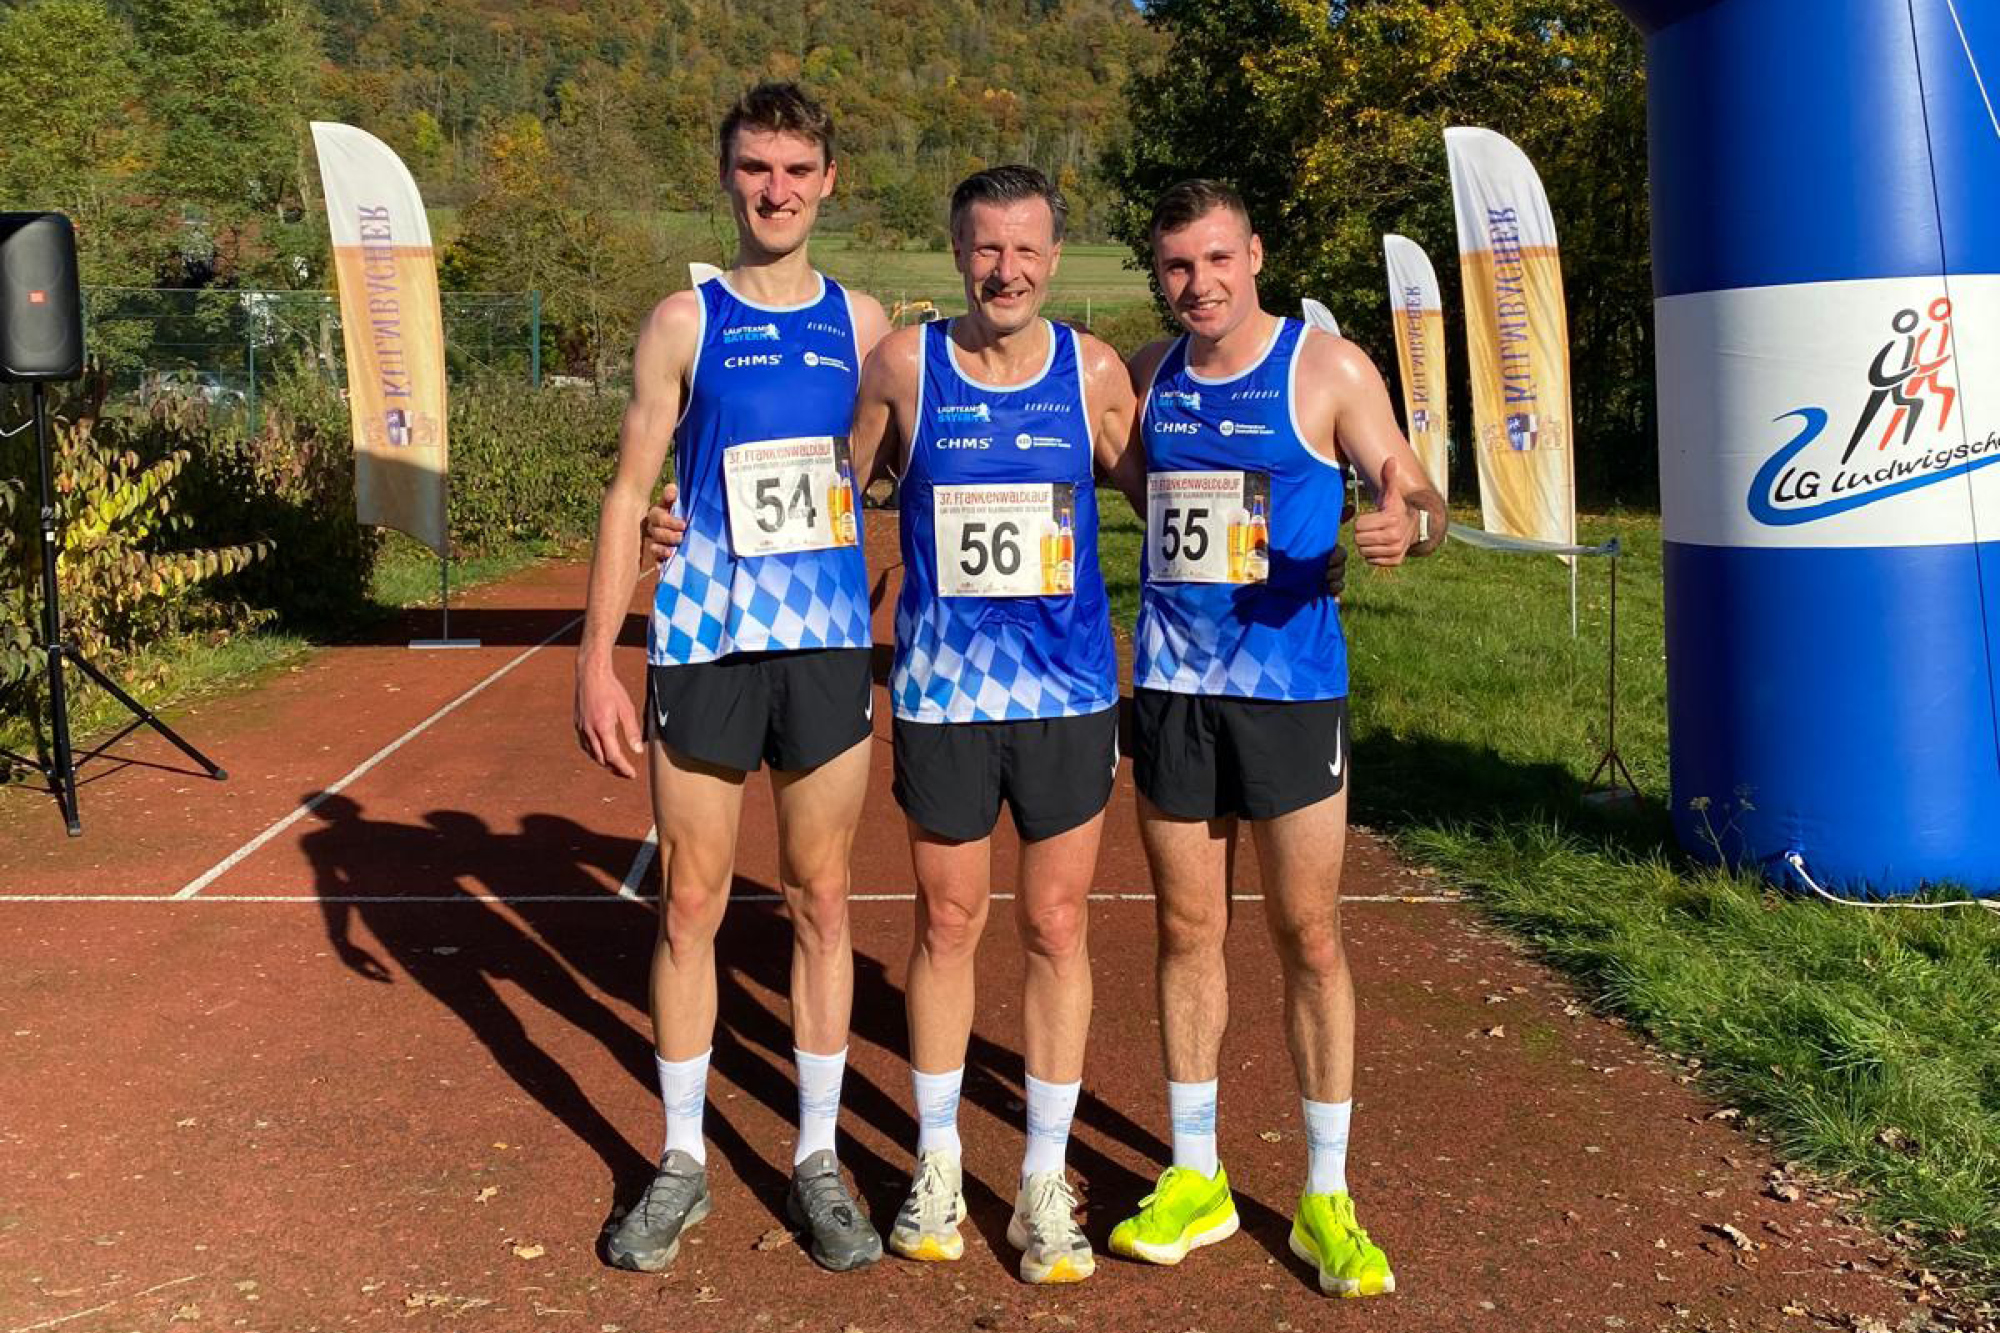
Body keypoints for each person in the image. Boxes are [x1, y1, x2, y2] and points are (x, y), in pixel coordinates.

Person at [572, 81, 890, 1275]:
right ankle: (682, 1159)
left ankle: (816, 1158)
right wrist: (599, 657)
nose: (775, 190)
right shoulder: (681, 322)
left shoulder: (865, 325)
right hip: (702, 638)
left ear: (827, 181)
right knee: (692, 903)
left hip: (817, 647)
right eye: (755, 168)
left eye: (796, 169)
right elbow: (625, 495)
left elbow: (899, 468)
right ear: (727, 177)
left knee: (820, 899)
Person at [1105, 180, 1444, 1299]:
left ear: (1253, 254)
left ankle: (1323, 1194)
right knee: (1186, 929)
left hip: (1289, 694)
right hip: (1169, 689)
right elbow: (1134, 489)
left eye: (1214, 260)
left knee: (1307, 934)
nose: (1197, 285)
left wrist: (1406, 520)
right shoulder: (1149, 375)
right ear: (1157, 275)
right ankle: (1195, 1173)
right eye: (1174, 268)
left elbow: (1412, 485)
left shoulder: (1324, 368)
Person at [850, 165, 1139, 1285]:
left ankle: (1041, 1180)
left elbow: (1171, 499)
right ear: (955, 254)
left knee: (1058, 924)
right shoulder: (905, 367)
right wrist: (690, 520)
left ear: (1053, 259)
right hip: (942, 697)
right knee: (946, 920)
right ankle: (935, 1160)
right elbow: (834, 480)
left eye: (1024, 249)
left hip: (1067, 697)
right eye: (983, 249)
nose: (1004, 270)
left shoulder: (1095, 373)